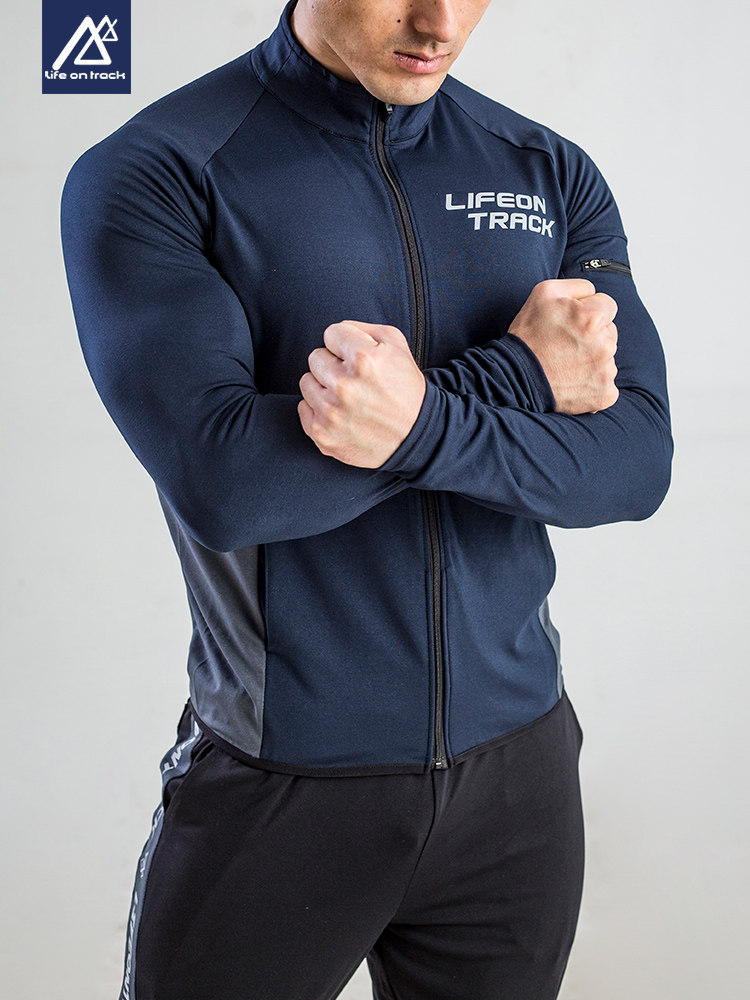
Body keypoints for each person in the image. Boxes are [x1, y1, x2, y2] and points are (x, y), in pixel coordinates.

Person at [61, 1, 672, 998]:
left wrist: (417, 419)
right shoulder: (162, 170)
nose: (439, 22)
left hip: (519, 788)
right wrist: (518, 375)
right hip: (280, 788)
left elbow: (634, 461)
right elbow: (228, 484)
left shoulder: (546, 169)